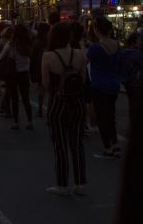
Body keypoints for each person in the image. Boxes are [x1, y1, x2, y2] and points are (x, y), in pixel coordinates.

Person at [42, 22, 89, 195]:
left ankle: (62, 184)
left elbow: (46, 84)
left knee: (60, 145)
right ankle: (80, 183)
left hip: (58, 103)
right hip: (77, 103)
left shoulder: (48, 56)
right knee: (77, 144)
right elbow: (83, 79)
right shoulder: (80, 54)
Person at [86, 16, 122, 159]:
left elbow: (84, 61)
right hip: (114, 84)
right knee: (111, 115)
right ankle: (115, 144)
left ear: (96, 30)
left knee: (102, 117)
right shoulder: (117, 45)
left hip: (99, 85)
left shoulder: (96, 48)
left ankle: (108, 148)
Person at [0, 24, 34, 129]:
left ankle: (16, 122)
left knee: (14, 98)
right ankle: (29, 121)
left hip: (13, 73)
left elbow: (1, 56)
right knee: (26, 98)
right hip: (24, 72)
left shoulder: (11, 44)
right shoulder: (27, 44)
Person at [31, 23, 51, 118]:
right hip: (50, 65)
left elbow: (33, 57)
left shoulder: (37, 42)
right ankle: (50, 111)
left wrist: (32, 71)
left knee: (41, 88)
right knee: (51, 90)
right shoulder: (50, 41)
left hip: (39, 67)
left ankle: (40, 108)